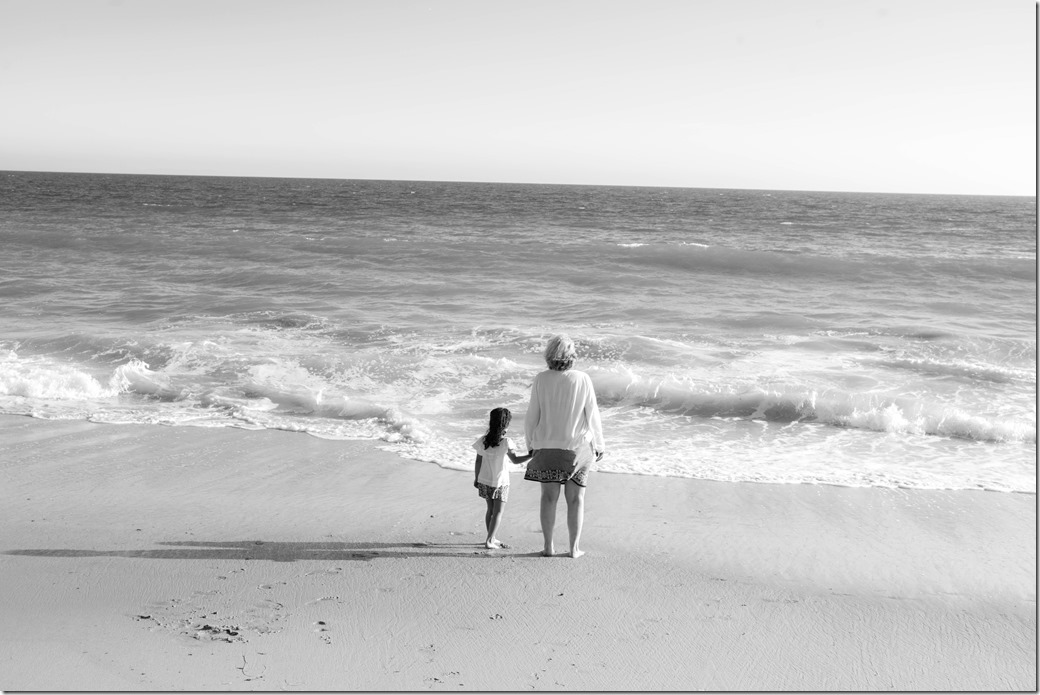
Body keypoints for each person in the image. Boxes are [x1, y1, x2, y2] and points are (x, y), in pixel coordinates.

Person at [524, 334, 605, 558]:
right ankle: (573, 549)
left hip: (546, 447)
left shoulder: (541, 379)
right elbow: (592, 414)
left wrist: (530, 444)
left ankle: (548, 547)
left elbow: (532, 416)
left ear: (549, 354)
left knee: (548, 497)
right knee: (576, 499)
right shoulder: (583, 378)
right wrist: (599, 444)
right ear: (572, 355)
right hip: (577, 447)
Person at [473, 407, 532, 549]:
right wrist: (531, 455)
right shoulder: (506, 442)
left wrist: (477, 478)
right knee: (498, 512)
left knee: (490, 510)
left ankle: (491, 537)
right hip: (500, 482)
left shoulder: (483, 440)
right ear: (506, 424)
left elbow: (478, 461)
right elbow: (516, 460)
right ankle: (489, 541)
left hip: (484, 479)